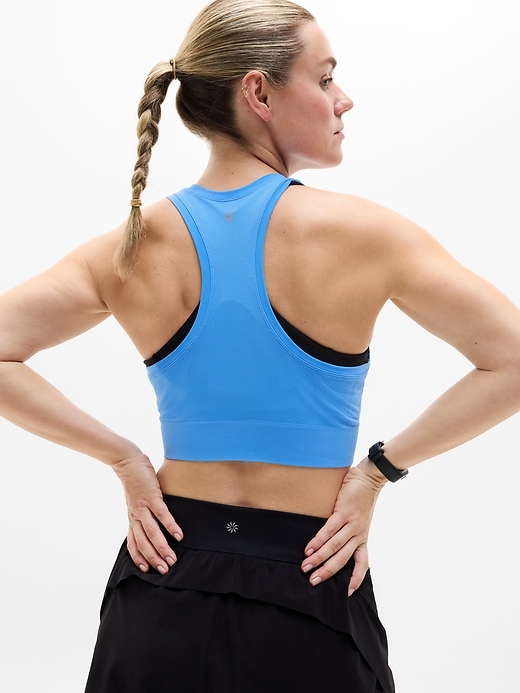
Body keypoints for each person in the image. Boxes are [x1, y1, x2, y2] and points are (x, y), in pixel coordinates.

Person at [1, 0, 519, 690]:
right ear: (259, 92)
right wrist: (376, 473)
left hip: (161, 584)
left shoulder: (130, 246)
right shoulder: (367, 235)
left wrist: (125, 459)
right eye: (325, 78)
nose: (344, 98)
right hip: (310, 580)